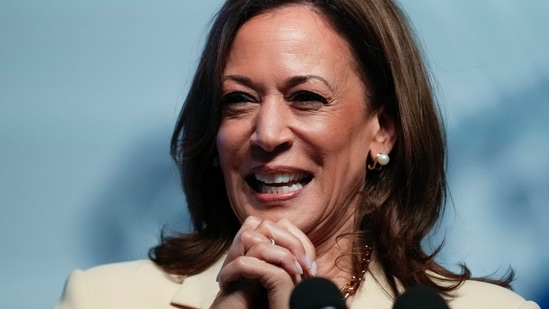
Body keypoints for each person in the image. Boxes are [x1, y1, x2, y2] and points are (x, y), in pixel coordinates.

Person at [53, 0, 540, 308]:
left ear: (383, 131)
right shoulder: (103, 299)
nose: (266, 133)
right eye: (238, 100)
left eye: (306, 98)